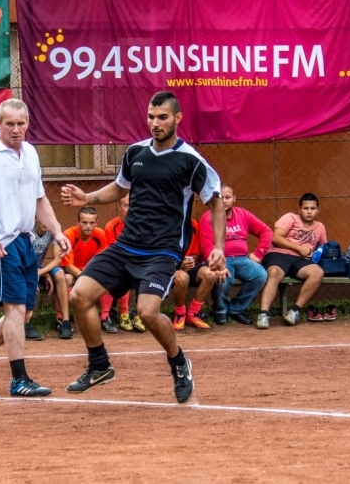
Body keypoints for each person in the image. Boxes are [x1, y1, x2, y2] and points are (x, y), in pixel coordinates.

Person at [60, 91, 226, 403]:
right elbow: (119, 187)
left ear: (177, 118)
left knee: (148, 313)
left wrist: (218, 246)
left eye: (162, 117)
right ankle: (99, 366)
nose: (155, 123)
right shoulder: (135, 152)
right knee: (79, 296)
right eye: (151, 117)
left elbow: (215, 202)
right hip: (125, 247)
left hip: (162, 252)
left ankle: (179, 362)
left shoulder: (191, 161)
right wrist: (87, 198)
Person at [0, 98, 71, 397]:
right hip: (1, 244)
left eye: (21, 124)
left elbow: (39, 200)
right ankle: (19, 380)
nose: (16, 130)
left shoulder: (31, 153)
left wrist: (57, 230)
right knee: (15, 309)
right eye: (10, 124)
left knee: (24, 314)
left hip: (24, 240)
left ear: (28, 124)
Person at [199, 184, 272, 325]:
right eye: (221, 198)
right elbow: (207, 246)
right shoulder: (207, 217)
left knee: (260, 275)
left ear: (234, 198)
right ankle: (220, 311)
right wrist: (218, 265)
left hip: (242, 259)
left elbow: (266, 231)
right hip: (221, 259)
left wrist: (259, 253)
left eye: (228, 197)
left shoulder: (242, 214)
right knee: (222, 278)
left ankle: (236, 309)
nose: (224, 201)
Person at [256, 193, 327, 328]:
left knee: (317, 272)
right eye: (306, 208)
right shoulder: (290, 218)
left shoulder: (320, 227)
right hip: (279, 254)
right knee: (275, 272)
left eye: (313, 208)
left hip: (301, 260)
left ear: (318, 209)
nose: (309, 212)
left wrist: (316, 253)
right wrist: (299, 248)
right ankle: (263, 314)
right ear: (299, 209)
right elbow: (276, 238)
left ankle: (294, 311)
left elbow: (323, 247)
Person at [60, 206, 116, 333]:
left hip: (90, 270)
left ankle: (105, 317)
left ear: (96, 222)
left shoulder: (100, 234)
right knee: (66, 280)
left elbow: (102, 261)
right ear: (78, 222)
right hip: (72, 270)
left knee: (107, 278)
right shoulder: (69, 234)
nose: (88, 226)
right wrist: (85, 279)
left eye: (92, 223)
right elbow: (68, 265)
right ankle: (61, 319)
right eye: (84, 222)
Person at [103, 194, 146, 333]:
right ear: (119, 207)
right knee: (121, 273)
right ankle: (123, 313)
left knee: (147, 274)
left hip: (138, 263)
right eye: (126, 205)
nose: (130, 209)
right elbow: (113, 253)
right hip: (119, 263)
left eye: (132, 205)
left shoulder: (141, 225)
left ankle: (141, 315)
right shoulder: (111, 226)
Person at [171, 219, 220, 330]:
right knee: (182, 277)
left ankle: (193, 314)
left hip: (190, 265)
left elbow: (196, 253)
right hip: (170, 266)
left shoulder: (192, 224)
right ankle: (180, 314)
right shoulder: (165, 223)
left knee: (210, 274)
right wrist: (179, 264)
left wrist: (190, 261)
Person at [32, 218, 73, 340]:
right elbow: (22, 258)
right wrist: (41, 274)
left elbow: (57, 259)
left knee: (61, 275)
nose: (46, 223)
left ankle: (65, 323)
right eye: (42, 218)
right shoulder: (27, 227)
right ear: (35, 218)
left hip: (39, 269)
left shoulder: (54, 227)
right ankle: (24, 325)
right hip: (25, 268)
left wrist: (42, 272)